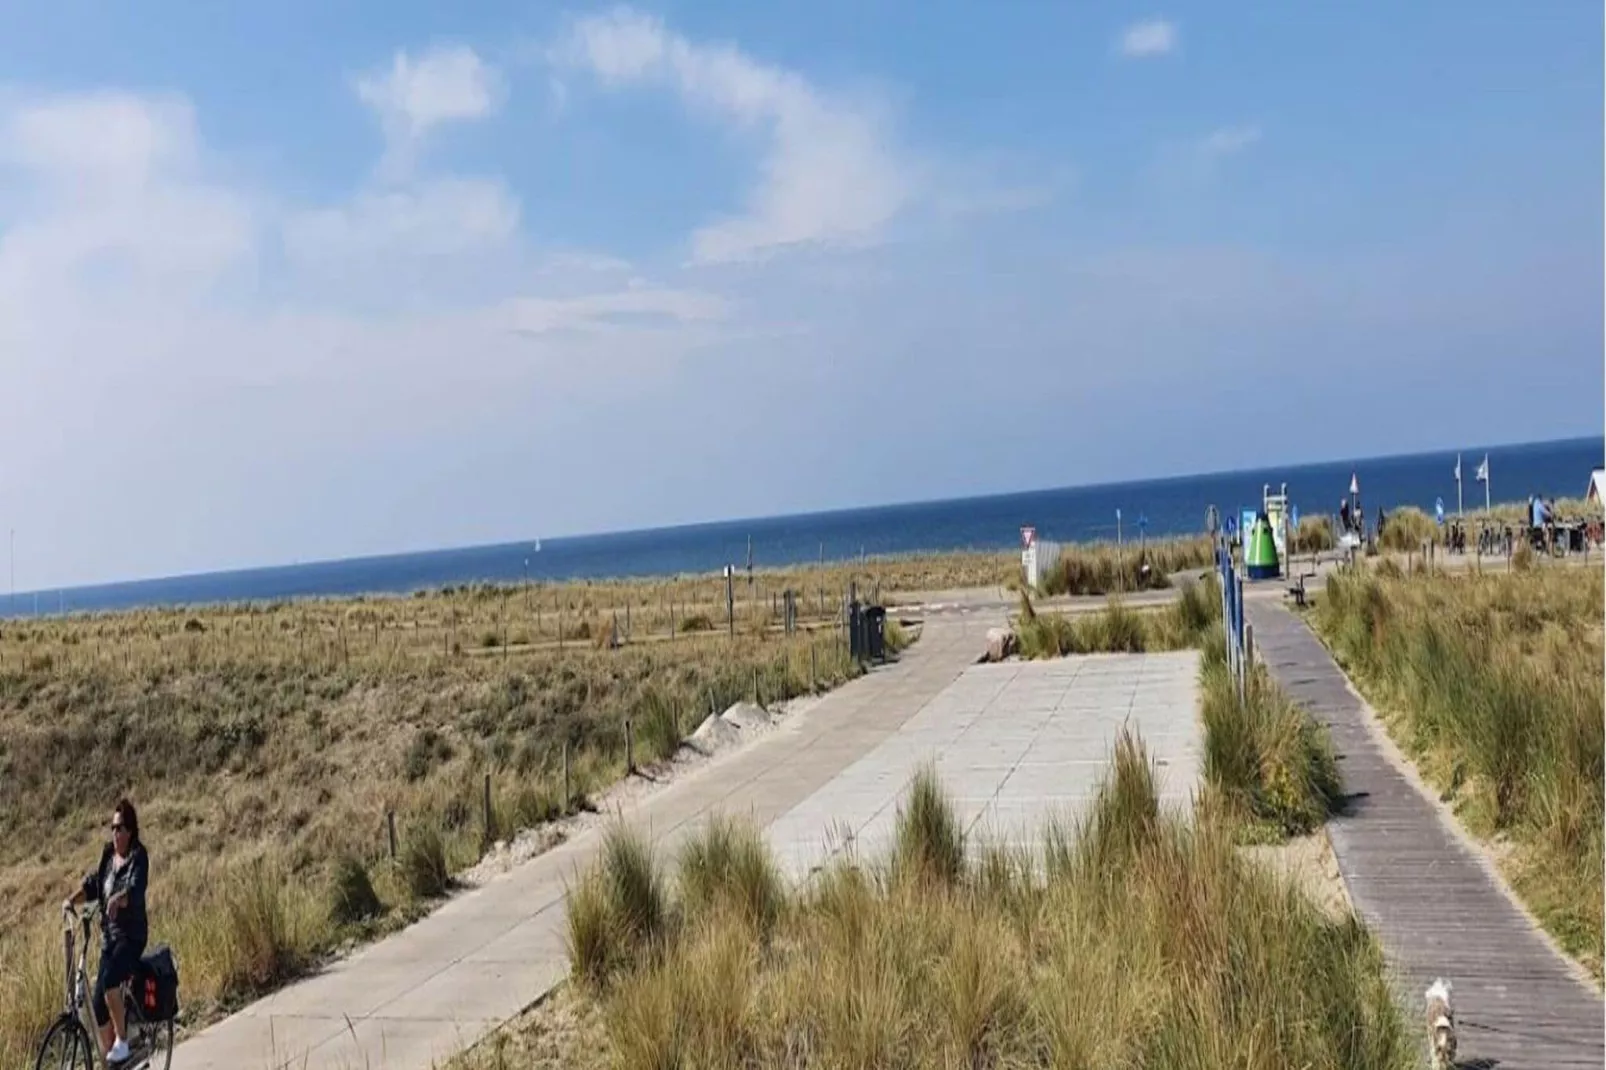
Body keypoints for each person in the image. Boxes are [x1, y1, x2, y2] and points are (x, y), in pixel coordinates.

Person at [63, 799, 149, 1066]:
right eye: (112, 827)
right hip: (110, 938)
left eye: (120, 828)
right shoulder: (108, 857)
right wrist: (70, 900)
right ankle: (115, 1059)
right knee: (98, 1004)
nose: (115, 833)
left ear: (130, 831)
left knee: (111, 979)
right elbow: (93, 884)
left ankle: (122, 1042)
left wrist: (118, 899)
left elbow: (135, 891)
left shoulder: (138, 857)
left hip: (131, 936)